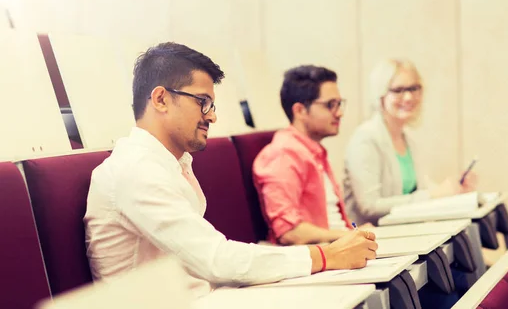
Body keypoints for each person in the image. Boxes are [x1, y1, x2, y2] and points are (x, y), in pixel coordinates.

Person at [84, 43, 377, 298]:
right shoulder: (134, 170)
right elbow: (216, 259)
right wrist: (326, 256)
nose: (212, 115)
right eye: (203, 102)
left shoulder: (170, 163)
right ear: (160, 99)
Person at [344, 58, 477, 225]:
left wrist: (452, 191)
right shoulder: (365, 139)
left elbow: (419, 192)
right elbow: (370, 206)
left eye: (413, 88)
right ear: (381, 95)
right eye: (398, 90)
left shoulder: (408, 139)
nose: (408, 97)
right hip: (373, 241)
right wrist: (433, 195)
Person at [254, 65, 372, 246]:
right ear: (300, 110)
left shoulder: (312, 151)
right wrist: (347, 236)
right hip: (322, 258)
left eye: (339, 104)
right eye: (330, 105)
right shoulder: (283, 155)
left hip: (338, 249)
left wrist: (355, 234)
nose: (339, 113)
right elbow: (289, 232)